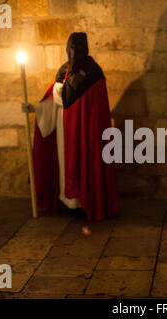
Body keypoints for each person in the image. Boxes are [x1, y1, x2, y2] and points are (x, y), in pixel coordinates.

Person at [23, 32, 119, 221]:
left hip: (85, 133)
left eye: (77, 48)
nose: (73, 52)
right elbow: (56, 101)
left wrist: (59, 91)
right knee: (66, 164)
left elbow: (67, 96)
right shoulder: (64, 70)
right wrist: (33, 108)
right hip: (64, 128)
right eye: (70, 47)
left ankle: (84, 202)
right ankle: (69, 203)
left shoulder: (93, 72)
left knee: (84, 161)